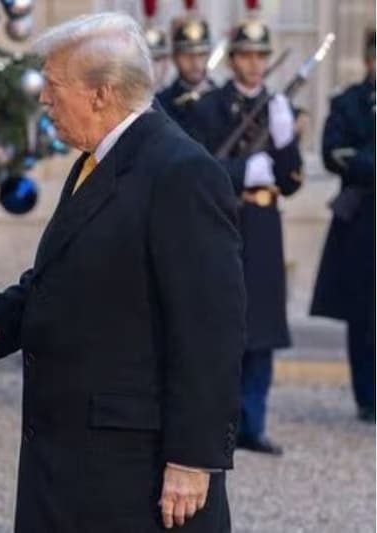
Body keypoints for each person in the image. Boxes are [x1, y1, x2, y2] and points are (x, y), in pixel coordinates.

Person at [0, 12, 245, 532]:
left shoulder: (181, 172)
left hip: (133, 470)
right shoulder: (96, 160)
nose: (43, 99)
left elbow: (211, 329)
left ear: (101, 94)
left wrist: (193, 459)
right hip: (76, 460)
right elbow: (53, 284)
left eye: (53, 85)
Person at [189, 18, 304, 456]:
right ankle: (219, 423)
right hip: (227, 221)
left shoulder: (277, 106)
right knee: (223, 324)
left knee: (263, 325)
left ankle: (253, 423)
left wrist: (285, 140)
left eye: (261, 56)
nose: (254, 64)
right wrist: (241, 172)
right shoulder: (209, 106)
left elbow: (290, 182)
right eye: (246, 55)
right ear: (233, 58)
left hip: (264, 224)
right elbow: (196, 169)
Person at [311, 28, 376, 422]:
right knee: (363, 313)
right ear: (369, 61)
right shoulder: (348, 103)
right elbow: (333, 153)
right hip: (363, 219)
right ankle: (368, 397)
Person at [156, 16, 217, 133]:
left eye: (201, 54)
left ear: (209, 55)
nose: (195, 62)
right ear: (174, 57)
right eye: (186, 55)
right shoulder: (161, 104)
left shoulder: (224, 101)